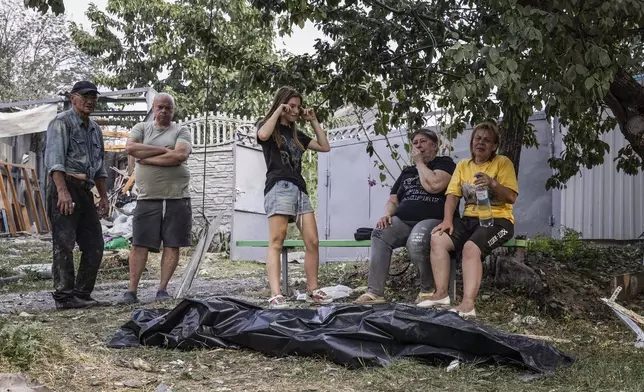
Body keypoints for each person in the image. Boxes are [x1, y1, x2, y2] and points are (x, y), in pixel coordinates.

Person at [424, 122, 518, 317]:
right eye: (477, 138)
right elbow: (452, 196)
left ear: (494, 146)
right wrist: (448, 220)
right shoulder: (463, 166)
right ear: (471, 142)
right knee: (438, 238)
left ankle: (468, 304)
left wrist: (492, 183)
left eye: (487, 140)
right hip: (469, 220)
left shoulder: (502, 163)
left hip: (498, 221)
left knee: (470, 248)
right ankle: (441, 294)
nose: (481, 143)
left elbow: (511, 197)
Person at [353, 129, 456, 304]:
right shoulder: (407, 172)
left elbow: (435, 185)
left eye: (422, 142)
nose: (418, 146)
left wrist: (419, 164)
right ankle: (375, 293)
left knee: (416, 239)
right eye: (415, 143)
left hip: (433, 220)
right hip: (403, 221)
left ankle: (428, 291)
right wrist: (387, 214)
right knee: (380, 232)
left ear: (434, 145)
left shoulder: (445, 163)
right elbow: (393, 199)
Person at [256, 86, 332, 309]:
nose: (296, 110)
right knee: (277, 241)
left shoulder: (298, 134)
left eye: (298, 106)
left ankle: (313, 289)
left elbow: (324, 147)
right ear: (282, 104)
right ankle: (276, 294)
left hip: (300, 189)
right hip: (279, 186)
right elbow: (262, 135)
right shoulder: (267, 127)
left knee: (312, 241)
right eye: (292, 105)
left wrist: (313, 121)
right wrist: (277, 111)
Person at [120, 93, 193, 304]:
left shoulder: (181, 130)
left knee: (172, 244)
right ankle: (131, 290)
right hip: (147, 197)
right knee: (139, 243)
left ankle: (162, 289)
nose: (163, 111)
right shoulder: (141, 128)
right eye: (160, 107)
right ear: (153, 108)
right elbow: (131, 148)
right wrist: (163, 150)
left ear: (173, 110)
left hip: (176, 196)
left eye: (168, 108)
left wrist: (147, 159)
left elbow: (179, 155)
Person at [44, 80, 109, 309]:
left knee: (95, 244)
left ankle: (82, 293)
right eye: (85, 96)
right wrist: (62, 192)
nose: (90, 101)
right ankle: (64, 297)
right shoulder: (62, 122)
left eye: (94, 97)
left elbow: (100, 168)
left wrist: (104, 196)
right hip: (65, 187)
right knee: (64, 242)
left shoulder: (95, 129)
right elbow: (55, 162)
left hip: (84, 191)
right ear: (73, 99)